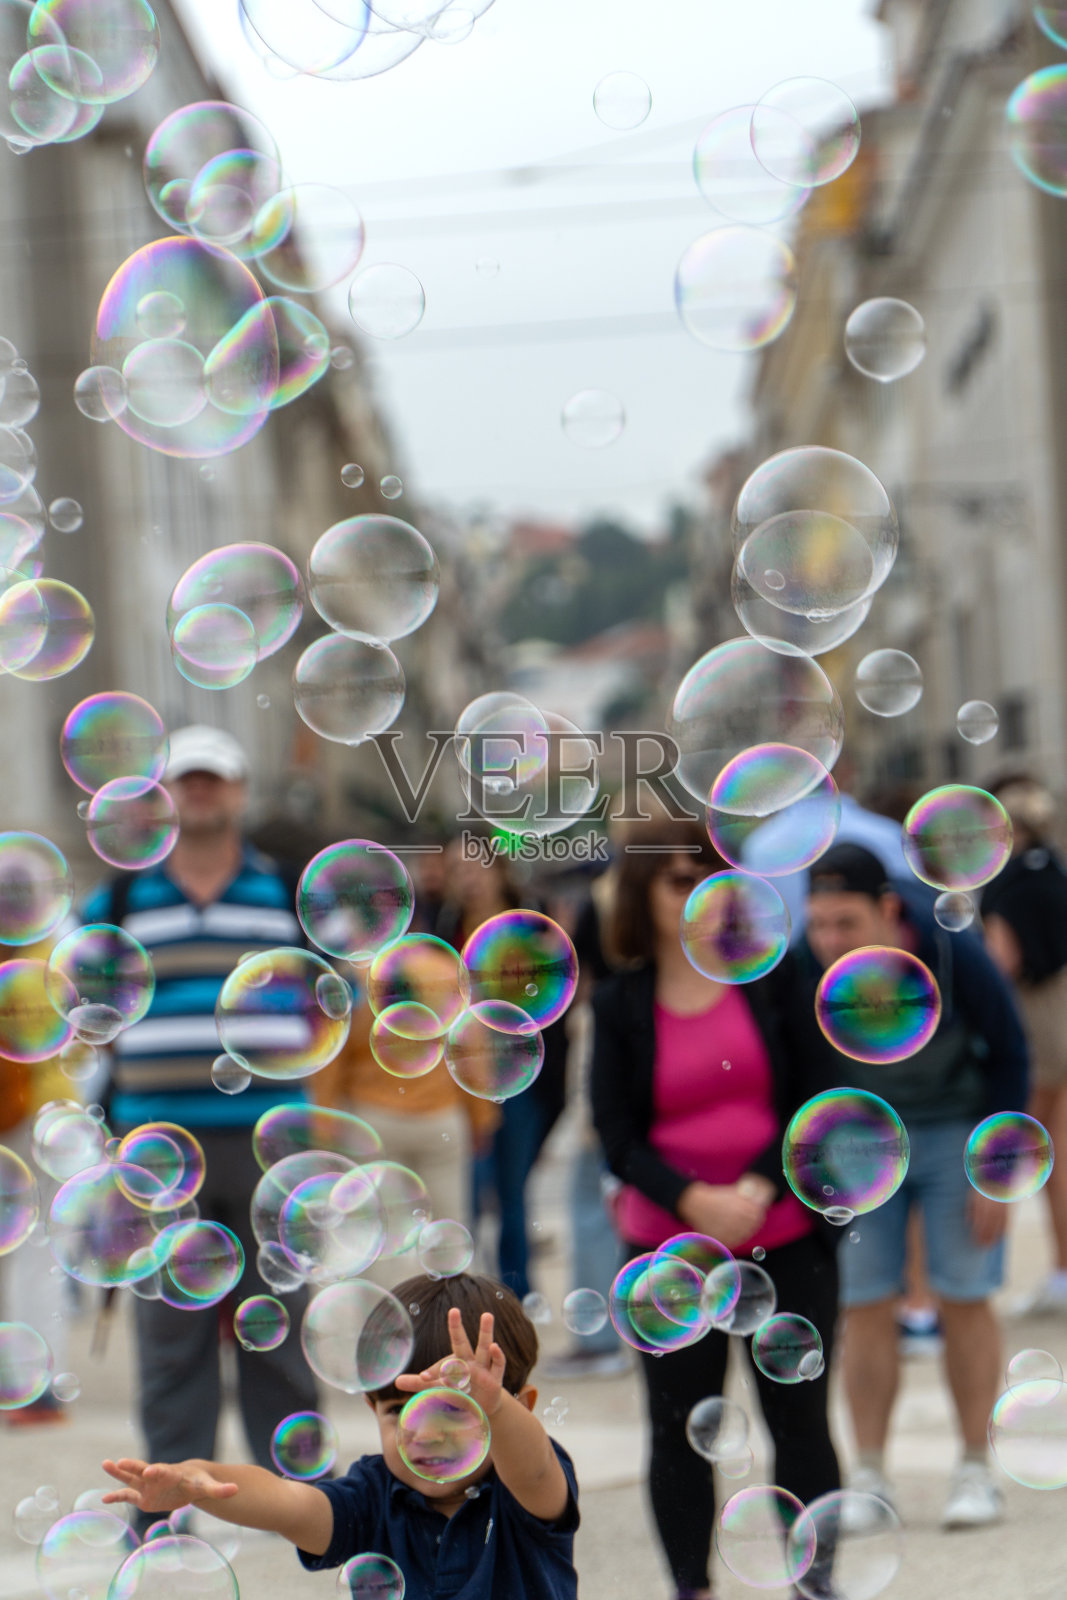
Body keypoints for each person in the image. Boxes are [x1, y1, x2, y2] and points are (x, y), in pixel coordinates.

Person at [591, 820, 840, 1600]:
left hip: (783, 1235)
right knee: (678, 1429)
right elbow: (615, 1137)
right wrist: (692, 1199)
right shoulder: (621, 1001)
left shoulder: (770, 977)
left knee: (798, 1420)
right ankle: (689, 1587)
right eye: (676, 879)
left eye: (709, 875)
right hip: (668, 1250)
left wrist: (759, 1188)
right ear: (642, 893)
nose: (697, 893)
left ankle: (814, 1581)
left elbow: (813, 1095)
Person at [81, 724, 320, 1518]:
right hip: (155, 1150)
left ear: (240, 791)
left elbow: (327, 1006)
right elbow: (82, 1009)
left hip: (269, 1141)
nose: (202, 792)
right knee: (171, 1345)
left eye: (214, 779)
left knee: (277, 1330)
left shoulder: (283, 894)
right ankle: (161, 1511)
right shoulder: (118, 900)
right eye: (188, 780)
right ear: (167, 796)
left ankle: (302, 1507)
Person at [798, 841, 1029, 1529]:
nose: (828, 941)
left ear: (887, 909)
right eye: (817, 924)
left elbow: (1012, 1050)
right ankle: (868, 1476)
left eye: (844, 923)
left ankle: (973, 1470)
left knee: (964, 1293)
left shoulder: (950, 950)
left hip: (953, 1130)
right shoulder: (799, 966)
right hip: (853, 1139)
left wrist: (995, 1167)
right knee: (865, 1303)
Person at [101, 1272, 579, 1600]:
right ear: (372, 1408)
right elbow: (287, 1502)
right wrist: (197, 1480)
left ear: (522, 1407)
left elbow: (533, 1465)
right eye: (399, 1412)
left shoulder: (524, 1494)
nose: (425, 1435)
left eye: (454, 1410)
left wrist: (494, 1407)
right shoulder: (374, 1495)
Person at [438, 845, 568, 1299]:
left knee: (512, 1193)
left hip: (519, 1078)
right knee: (469, 1195)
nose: (466, 876)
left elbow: (554, 999)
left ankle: (517, 1296)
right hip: (464, 1078)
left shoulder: (531, 926)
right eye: (457, 868)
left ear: (499, 869)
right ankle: (469, 1297)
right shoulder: (442, 928)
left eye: (475, 864)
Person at [981, 775, 1067, 1315]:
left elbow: (1001, 961)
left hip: (1030, 1020)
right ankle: (1063, 1271)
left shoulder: (1006, 885)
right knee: (1059, 1156)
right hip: (1065, 1012)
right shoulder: (1058, 872)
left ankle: (980, 1275)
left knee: (1009, 1153)